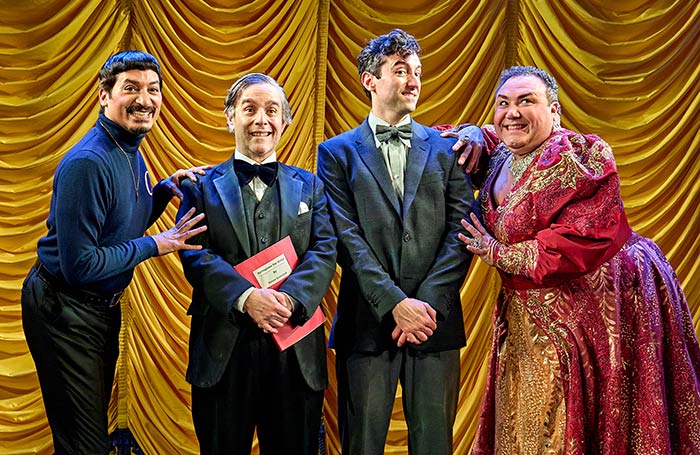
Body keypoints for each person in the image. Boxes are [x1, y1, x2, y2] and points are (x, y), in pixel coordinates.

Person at [457, 65, 700, 454]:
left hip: (601, 300)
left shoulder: (577, 156)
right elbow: (481, 138)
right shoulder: (502, 154)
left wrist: (496, 252)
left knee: (568, 424)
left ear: (555, 112)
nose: (512, 112)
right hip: (528, 312)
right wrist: (473, 132)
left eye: (526, 101)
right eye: (503, 103)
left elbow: (577, 241)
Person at [21, 50, 208, 454]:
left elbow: (119, 221)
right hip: (63, 310)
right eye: (131, 89)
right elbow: (81, 265)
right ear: (104, 96)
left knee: (89, 432)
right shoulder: (88, 162)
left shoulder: (128, 146)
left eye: (153, 90)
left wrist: (162, 190)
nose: (144, 99)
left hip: (98, 308)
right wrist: (156, 245)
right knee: (83, 443)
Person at [317, 29, 474, 454]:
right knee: (362, 445)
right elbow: (344, 237)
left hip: (434, 323)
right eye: (401, 70)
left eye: (418, 72)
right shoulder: (335, 153)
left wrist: (424, 303)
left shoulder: (448, 148)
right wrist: (395, 304)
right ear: (370, 80)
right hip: (367, 322)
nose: (413, 81)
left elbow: (464, 229)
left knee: (434, 445)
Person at [177, 72, 337, 455]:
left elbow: (325, 248)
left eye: (271, 110)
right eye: (249, 109)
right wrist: (246, 297)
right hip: (223, 348)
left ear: (285, 121)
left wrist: (289, 302)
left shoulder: (312, 186)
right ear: (230, 117)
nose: (260, 119)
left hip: (294, 346)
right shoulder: (198, 186)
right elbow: (194, 253)